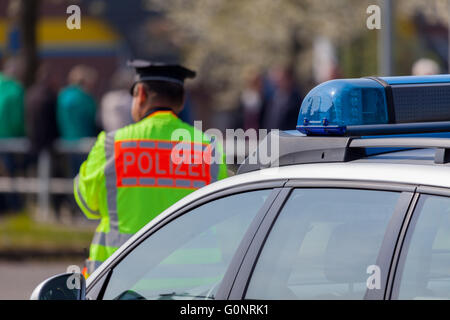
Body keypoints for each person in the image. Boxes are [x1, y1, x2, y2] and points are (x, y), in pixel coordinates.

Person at [74, 60, 228, 276]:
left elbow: (88, 204)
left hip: (121, 281)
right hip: (192, 284)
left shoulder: (111, 145)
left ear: (142, 95)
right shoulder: (207, 148)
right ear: (182, 101)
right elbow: (221, 209)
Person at [57, 65, 98, 177]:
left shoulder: (62, 96)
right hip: (84, 144)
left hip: (65, 142)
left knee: (70, 177)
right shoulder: (85, 98)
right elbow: (93, 118)